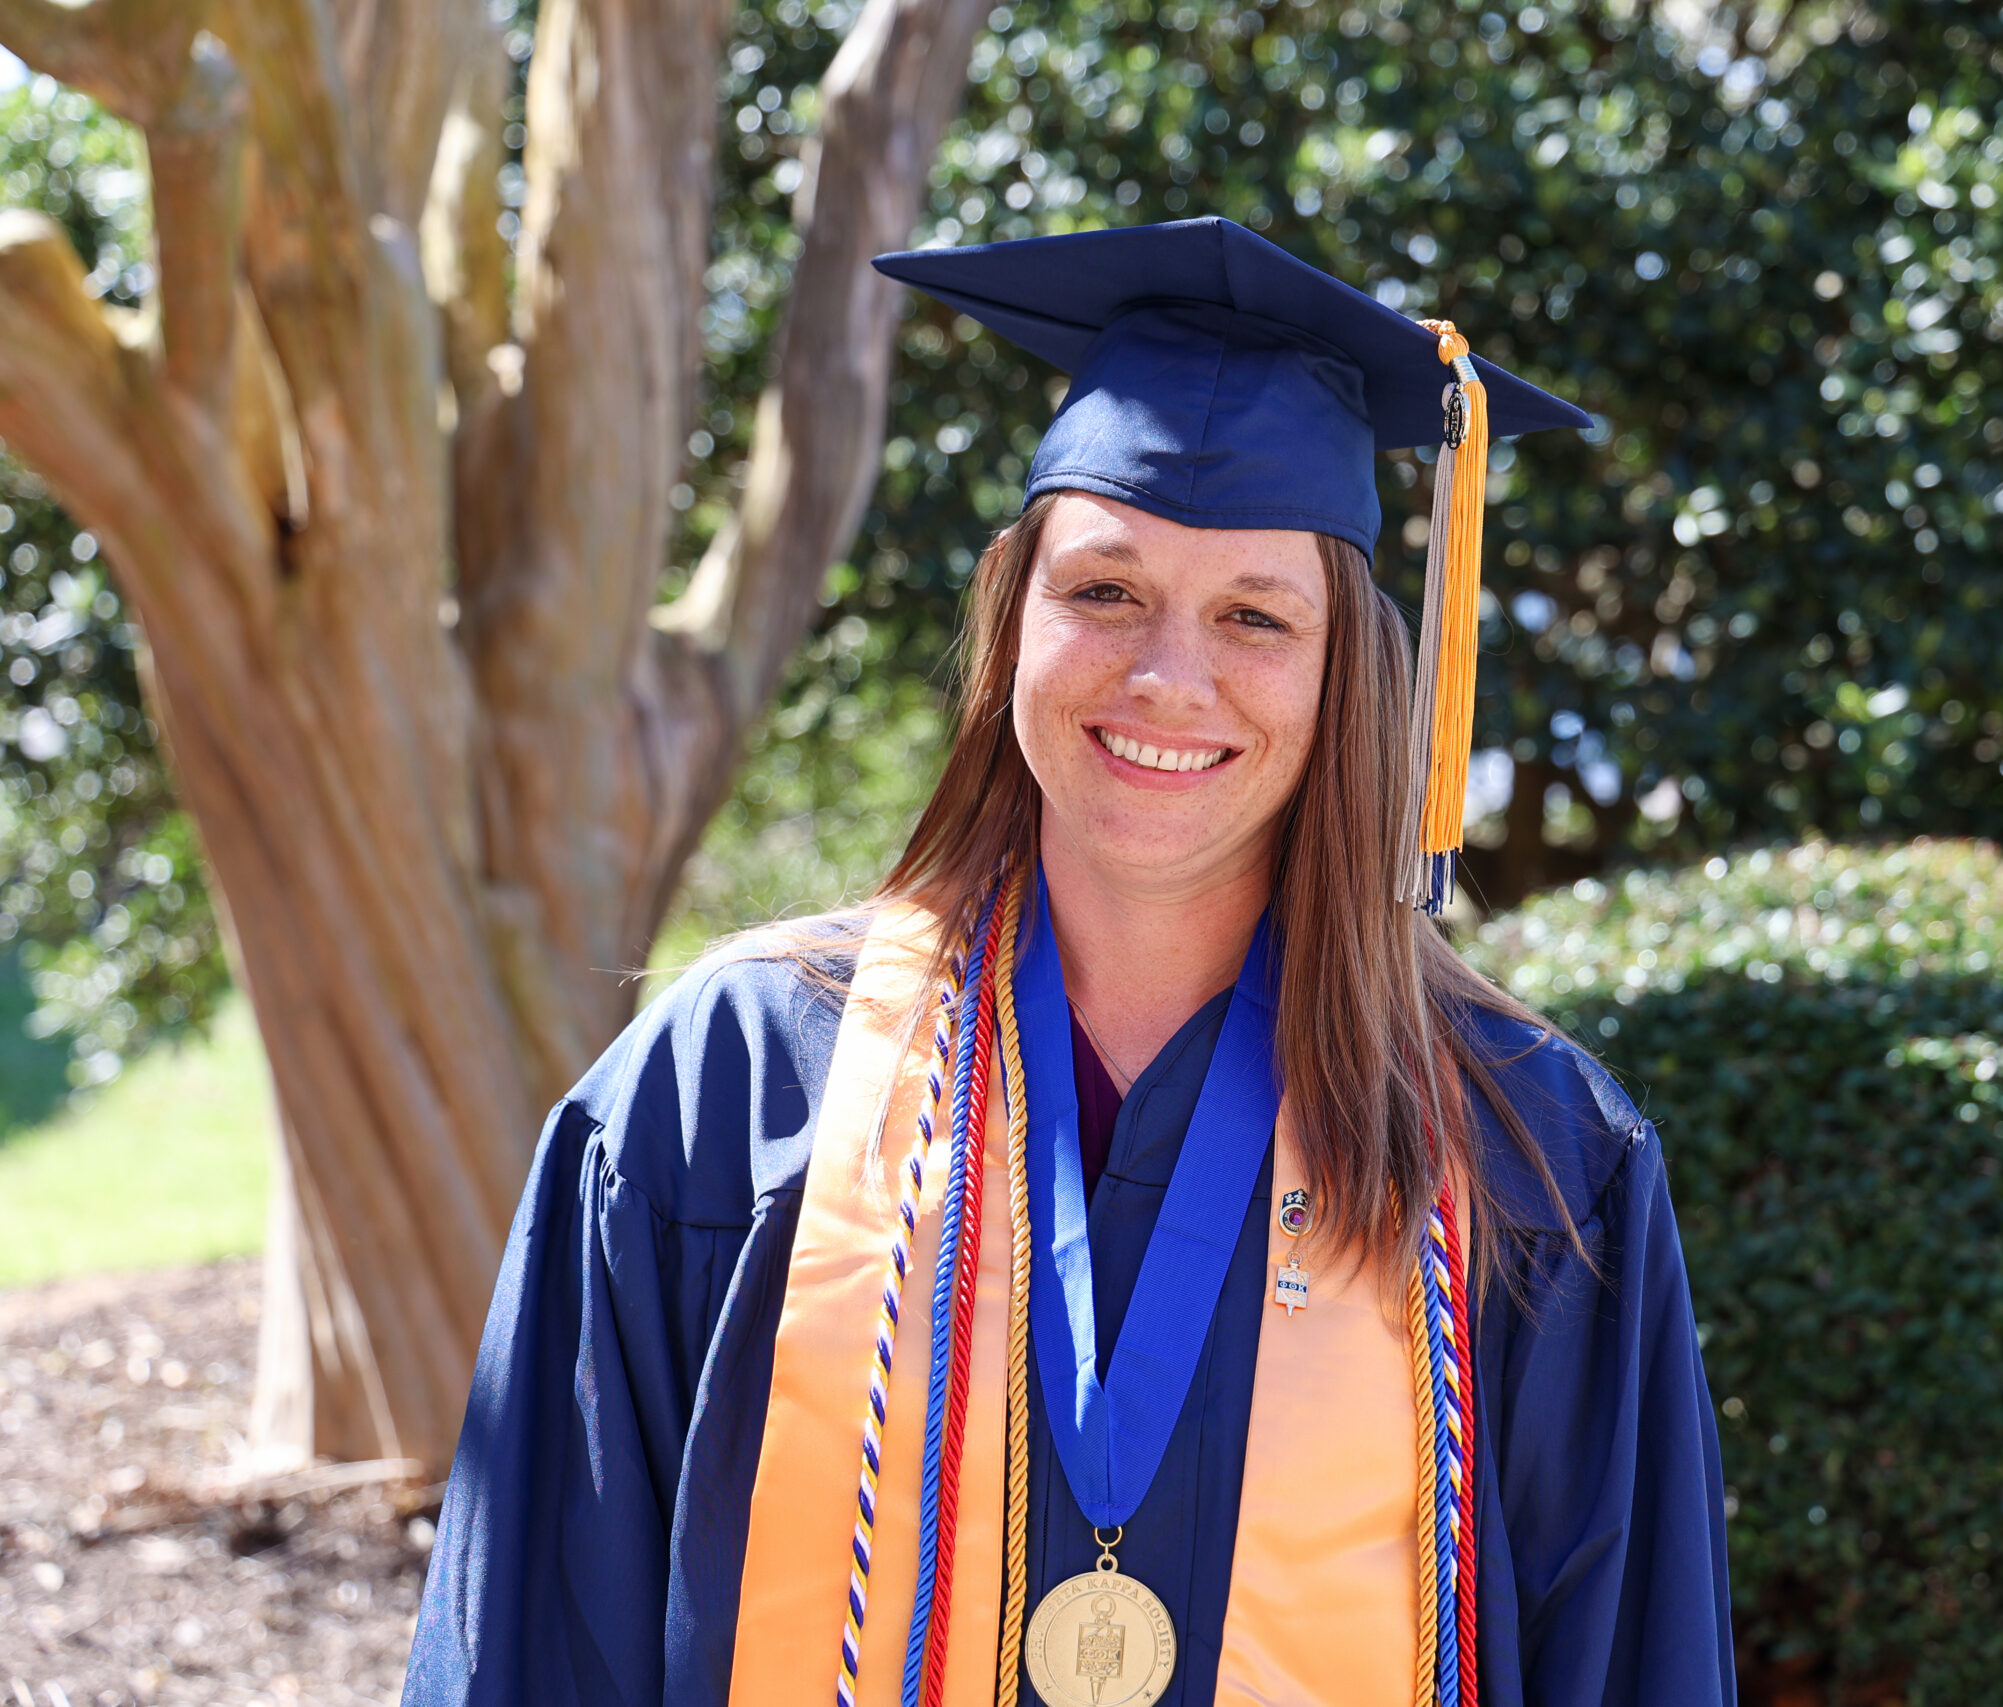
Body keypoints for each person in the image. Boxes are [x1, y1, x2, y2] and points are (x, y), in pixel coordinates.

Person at [403, 216, 1733, 1707]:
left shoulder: (1525, 1154)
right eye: (1104, 591)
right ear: (1011, 620)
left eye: (1254, 617)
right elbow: (533, 1641)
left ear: (1349, 671)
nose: (1170, 676)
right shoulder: (728, 1091)